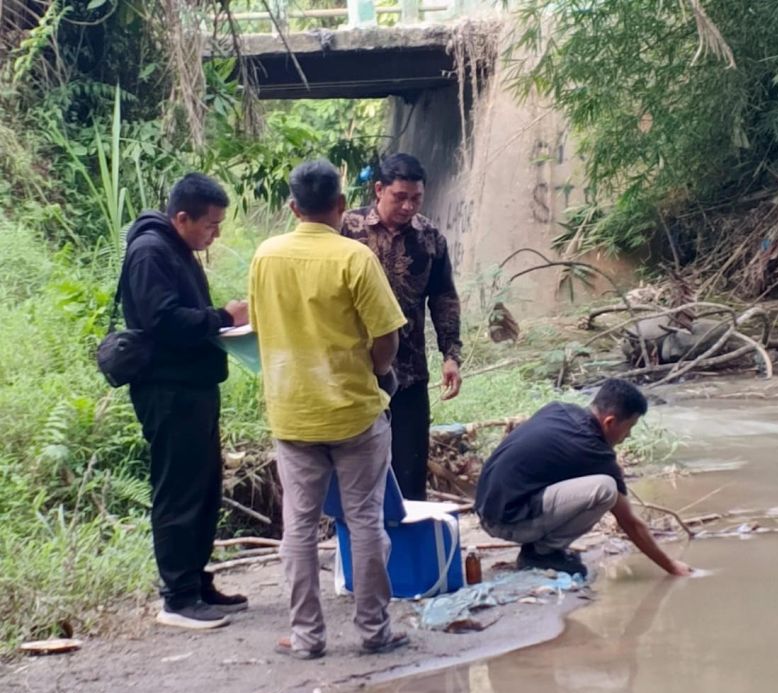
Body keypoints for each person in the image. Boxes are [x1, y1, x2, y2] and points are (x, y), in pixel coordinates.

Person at [249, 159, 410, 659]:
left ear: (293, 207)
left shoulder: (265, 256)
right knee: (363, 520)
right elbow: (387, 335)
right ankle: (373, 631)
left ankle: (306, 637)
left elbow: (258, 325)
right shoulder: (354, 258)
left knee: (298, 525)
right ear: (341, 205)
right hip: (354, 412)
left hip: (292, 412)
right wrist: (379, 373)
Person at [121, 172, 249, 631]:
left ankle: (196, 582)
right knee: (179, 490)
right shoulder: (151, 252)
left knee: (204, 486)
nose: (215, 234)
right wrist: (222, 317)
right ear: (182, 217)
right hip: (168, 389)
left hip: (193, 386)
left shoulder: (176, 248)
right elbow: (163, 321)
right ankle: (177, 598)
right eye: (210, 225)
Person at [475, 379, 692, 577]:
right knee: (606, 489)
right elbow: (630, 524)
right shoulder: (596, 452)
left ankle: (542, 548)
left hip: (488, 506)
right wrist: (671, 567)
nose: (628, 436)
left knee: (604, 484)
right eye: (629, 428)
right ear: (609, 422)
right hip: (503, 521)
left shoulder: (559, 409)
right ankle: (542, 554)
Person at [341, 153, 463, 500]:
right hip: (353, 375)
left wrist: (451, 355)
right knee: (357, 475)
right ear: (379, 190)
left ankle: (407, 549)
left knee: (409, 474)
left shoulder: (430, 238)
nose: (409, 206)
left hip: (408, 374)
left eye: (416, 198)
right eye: (400, 197)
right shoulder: (346, 230)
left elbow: (443, 299)